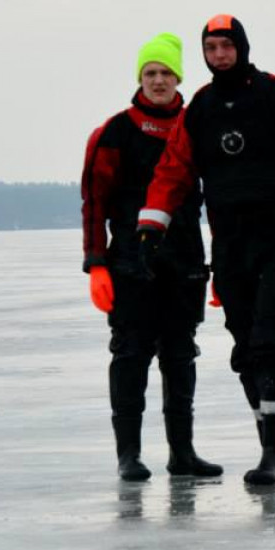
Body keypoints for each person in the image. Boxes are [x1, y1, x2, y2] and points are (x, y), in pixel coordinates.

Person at [137, 14, 275, 486]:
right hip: (231, 243)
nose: (219, 56)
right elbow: (173, 170)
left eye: (225, 46)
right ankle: (268, 445)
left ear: (242, 47)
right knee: (246, 347)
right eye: (211, 48)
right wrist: (150, 227)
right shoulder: (199, 108)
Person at [81, 32, 222, 482]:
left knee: (180, 356)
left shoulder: (198, 125)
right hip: (129, 262)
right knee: (131, 356)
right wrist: (96, 263)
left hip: (185, 261)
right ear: (139, 79)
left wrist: (223, 263)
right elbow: (94, 203)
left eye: (165, 73)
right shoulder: (114, 132)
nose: (158, 81)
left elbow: (218, 197)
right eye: (150, 73)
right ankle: (129, 456)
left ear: (179, 77)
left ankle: (183, 453)